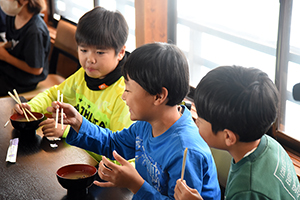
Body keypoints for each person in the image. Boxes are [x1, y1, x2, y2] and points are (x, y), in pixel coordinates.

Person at [46, 42, 221, 199]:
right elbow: (113, 143)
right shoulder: (147, 123)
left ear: (159, 96)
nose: (123, 96)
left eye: (128, 90)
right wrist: (78, 122)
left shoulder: (185, 151)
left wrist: (135, 184)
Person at [14, 6, 133, 162]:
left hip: (98, 167)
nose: (90, 59)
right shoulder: (83, 76)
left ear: (121, 53)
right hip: (76, 154)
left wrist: (67, 131)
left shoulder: (124, 94)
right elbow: (52, 94)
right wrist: (32, 107)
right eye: (83, 50)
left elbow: (117, 149)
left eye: (100, 52)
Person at [174, 65, 300, 200]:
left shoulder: (246, 190)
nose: (196, 122)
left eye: (201, 119)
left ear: (228, 136)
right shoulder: (269, 144)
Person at [0, 0, 50, 96]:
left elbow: (36, 69)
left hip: (24, 80)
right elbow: (15, 42)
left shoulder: (35, 31)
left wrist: (6, 57)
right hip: (10, 70)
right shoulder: (12, 16)